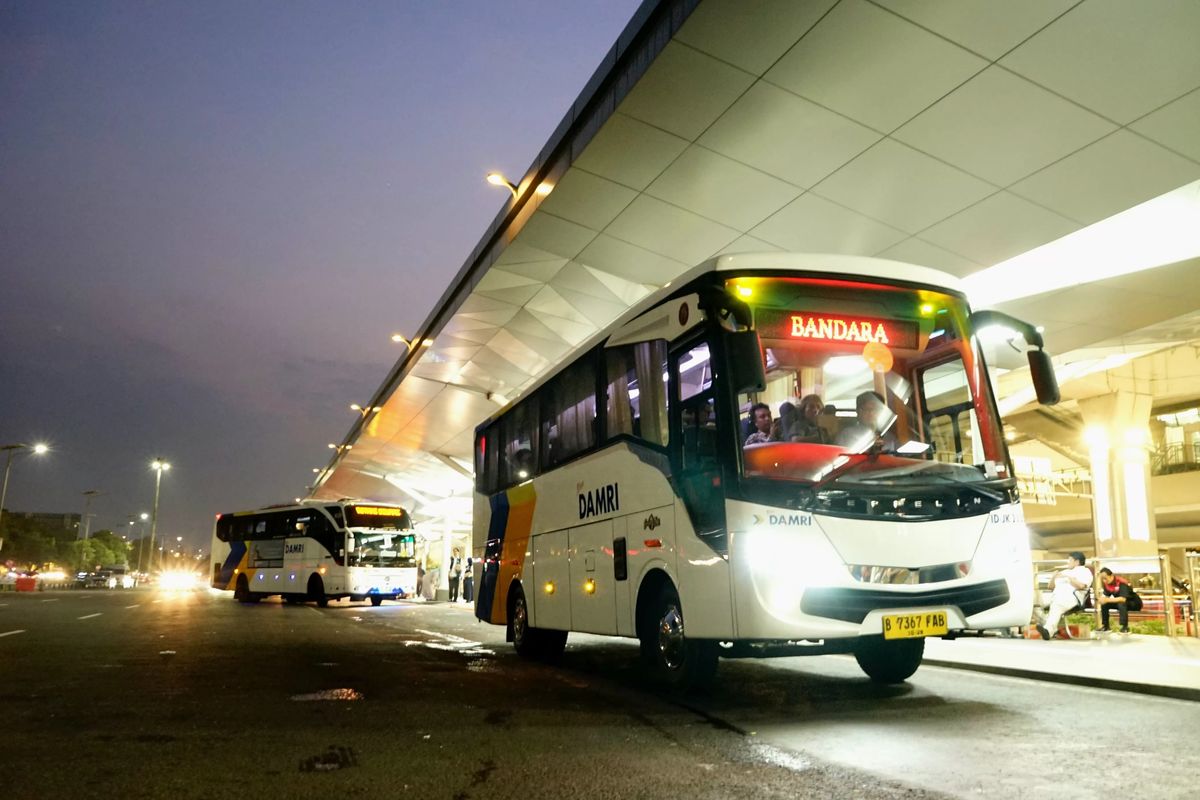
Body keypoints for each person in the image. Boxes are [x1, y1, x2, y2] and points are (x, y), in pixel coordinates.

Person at [1035, 551, 1092, 641]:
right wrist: (1053, 577)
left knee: (1057, 604)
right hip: (1055, 596)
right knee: (1034, 603)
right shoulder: (1065, 571)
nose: (1068, 562)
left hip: (1072, 598)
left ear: (1077, 562)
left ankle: (1048, 631)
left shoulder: (1085, 572)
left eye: (1070, 560)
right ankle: (1051, 627)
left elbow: (1081, 586)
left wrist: (1070, 578)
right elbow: (1050, 587)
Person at [1097, 567, 1142, 633]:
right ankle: (1106, 626)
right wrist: (1102, 599)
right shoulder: (1107, 584)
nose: (1104, 581)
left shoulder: (1121, 582)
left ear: (1111, 575)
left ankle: (1125, 627)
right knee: (1105, 604)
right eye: (1102, 579)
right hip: (1121, 603)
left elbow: (1123, 599)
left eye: (1105, 578)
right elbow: (1106, 596)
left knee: (1121, 603)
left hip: (1134, 603)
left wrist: (1107, 600)